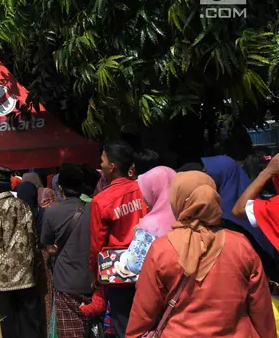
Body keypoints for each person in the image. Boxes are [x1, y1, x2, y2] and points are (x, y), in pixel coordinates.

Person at [126, 171, 276, 337]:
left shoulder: (161, 249)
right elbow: (261, 308)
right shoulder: (240, 244)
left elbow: (143, 312)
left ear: (177, 200)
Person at [88, 141, 147, 337]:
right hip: (149, 266)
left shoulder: (101, 200)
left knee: (124, 327)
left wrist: (95, 274)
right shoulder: (144, 190)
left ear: (112, 166)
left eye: (102, 160)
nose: (101, 164)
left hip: (120, 273)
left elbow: (97, 243)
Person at [0, 165, 43, 337]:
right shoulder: (24, 206)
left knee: (7, 323)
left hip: (3, 276)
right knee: (29, 321)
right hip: (26, 273)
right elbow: (33, 237)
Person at [41, 164, 94, 338]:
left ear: (60, 188)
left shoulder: (51, 213)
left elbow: (46, 243)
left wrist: (53, 250)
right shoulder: (95, 208)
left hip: (66, 284)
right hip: (93, 282)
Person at [16, 180, 53, 332]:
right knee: (46, 299)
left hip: (25, 265)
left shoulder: (18, 216)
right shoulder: (44, 214)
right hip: (45, 262)